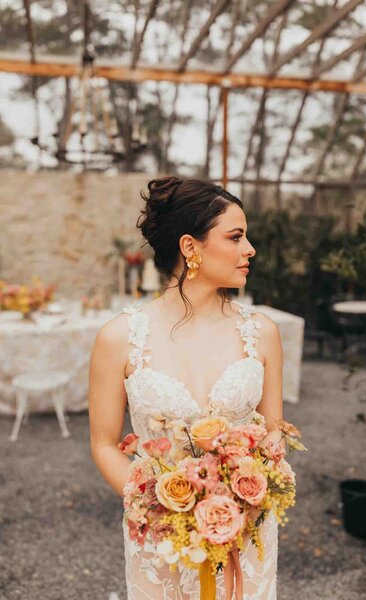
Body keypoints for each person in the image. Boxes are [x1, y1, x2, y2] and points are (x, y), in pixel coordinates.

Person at [89, 176, 284, 599]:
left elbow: (274, 430)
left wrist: (251, 491)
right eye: (235, 237)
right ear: (190, 247)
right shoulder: (118, 338)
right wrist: (163, 506)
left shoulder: (263, 332)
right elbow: (104, 445)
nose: (250, 249)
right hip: (161, 534)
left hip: (245, 530)